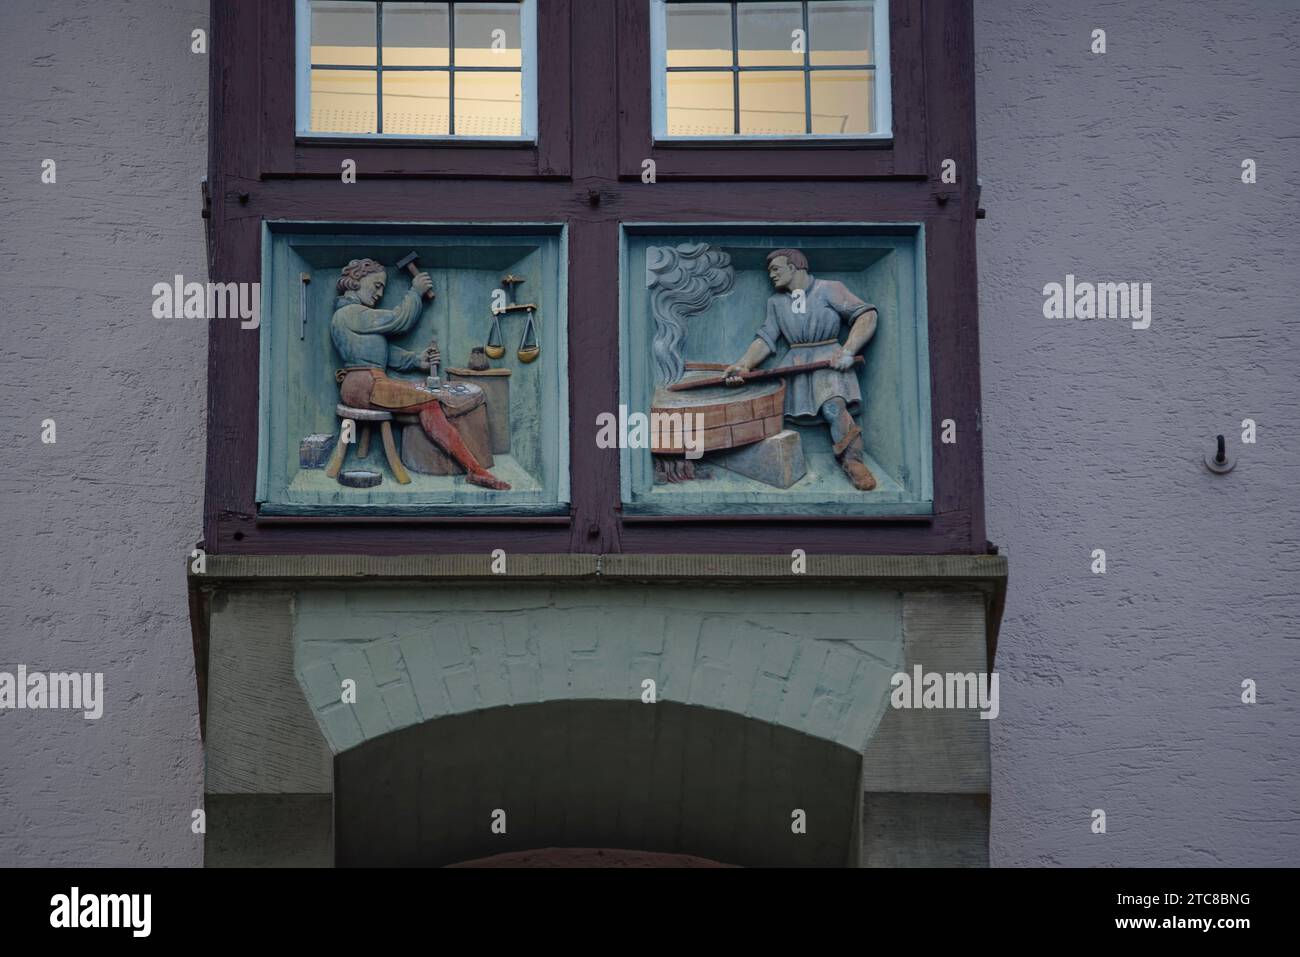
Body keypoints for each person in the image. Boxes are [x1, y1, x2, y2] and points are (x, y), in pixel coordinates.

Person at [330, 258, 510, 490]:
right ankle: (474, 469)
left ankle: (472, 468)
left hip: (369, 383)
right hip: (364, 385)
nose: (380, 293)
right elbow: (399, 320)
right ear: (356, 282)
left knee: (425, 394)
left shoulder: (358, 318)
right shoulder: (351, 313)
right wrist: (415, 292)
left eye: (383, 287)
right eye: (376, 285)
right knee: (429, 399)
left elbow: (383, 353)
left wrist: (417, 360)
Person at [723, 249, 879, 490]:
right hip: (795, 365)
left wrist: (848, 350)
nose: (771, 275)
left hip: (828, 358)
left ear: (793, 267)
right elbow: (766, 338)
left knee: (833, 407)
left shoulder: (829, 288)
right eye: (769, 271)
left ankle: (852, 461)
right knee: (771, 413)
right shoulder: (775, 302)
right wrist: (744, 364)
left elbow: (866, 315)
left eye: (776, 269)